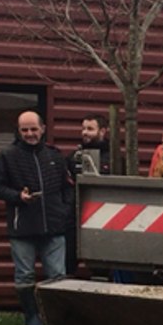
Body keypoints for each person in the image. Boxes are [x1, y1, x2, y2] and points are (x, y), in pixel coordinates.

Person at [0, 111, 73, 325]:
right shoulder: (8, 155)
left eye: (33, 129)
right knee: (24, 275)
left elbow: (67, 187)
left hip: (53, 226)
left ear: (42, 128)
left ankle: (57, 320)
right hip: (22, 227)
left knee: (57, 276)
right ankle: (32, 317)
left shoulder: (54, 155)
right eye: (24, 130)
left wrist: (63, 210)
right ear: (19, 130)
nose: (29, 133)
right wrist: (18, 197)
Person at [63, 113, 112, 273]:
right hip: (74, 219)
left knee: (101, 269)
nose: (85, 132)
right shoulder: (73, 157)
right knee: (68, 266)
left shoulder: (114, 159)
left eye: (90, 129)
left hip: (104, 221)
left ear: (103, 131)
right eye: (83, 128)